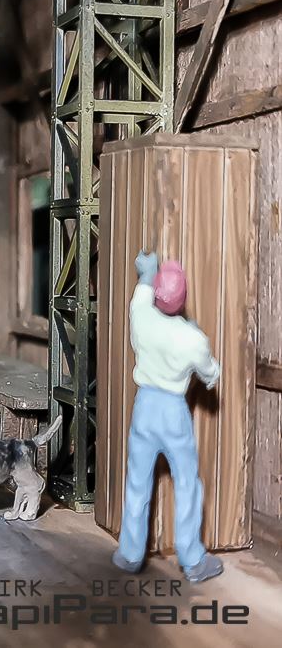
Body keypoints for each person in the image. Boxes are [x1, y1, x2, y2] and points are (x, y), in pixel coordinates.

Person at [113, 250, 223, 583]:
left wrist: (147, 271)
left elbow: (142, 289)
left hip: (144, 406)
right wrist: (196, 336)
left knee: (137, 480)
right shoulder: (193, 339)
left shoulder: (141, 315)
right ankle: (192, 560)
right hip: (174, 410)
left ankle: (130, 554)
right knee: (187, 482)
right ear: (182, 299)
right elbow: (211, 375)